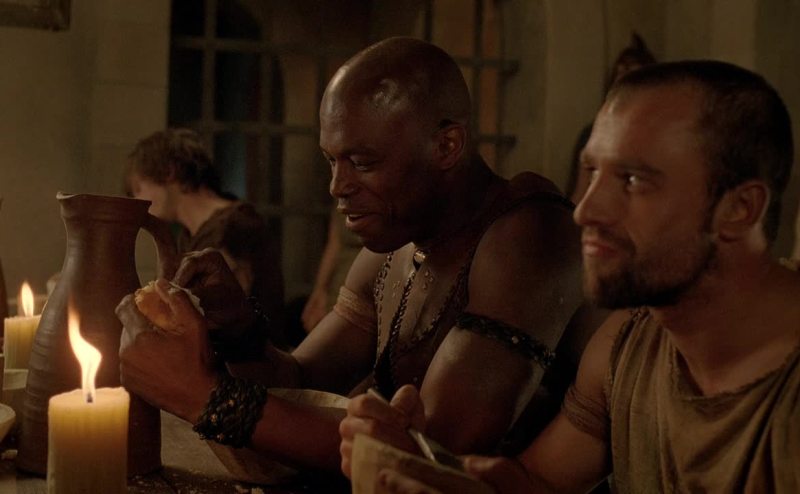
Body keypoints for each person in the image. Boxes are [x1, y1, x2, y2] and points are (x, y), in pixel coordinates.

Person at [116, 37, 586, 475]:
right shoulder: (397, 243)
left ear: (446, 145)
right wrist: (238, 330)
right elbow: (301, 380)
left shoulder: (528, 233)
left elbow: (430, 448)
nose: (337, 187)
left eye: (362, 163)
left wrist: (203, 398)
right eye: (332, 160)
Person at [361, 60, 800, 493]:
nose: (587, 211)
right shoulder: (625, 345)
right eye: (592, 173)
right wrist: (425, 464)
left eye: (632, 180)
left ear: (739, 210)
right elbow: (538, 483)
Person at [125, 128, 286, 345]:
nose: (137, 199)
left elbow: (223, 315)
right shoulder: (188, 235)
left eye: (138, 188)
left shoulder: (235, 224)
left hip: (250, 356)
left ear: (168, 172)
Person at [566, 32, 656, 203]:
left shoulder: (657, 136)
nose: (623, 81)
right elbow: (578, 198)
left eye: (632, 74)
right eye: (620, 72)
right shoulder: (592, 134)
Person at [301, 208, 363, 333]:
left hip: (370, 284)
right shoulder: (340, 200)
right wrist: (320, 290)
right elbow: (334, 243)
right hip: (340, 285)